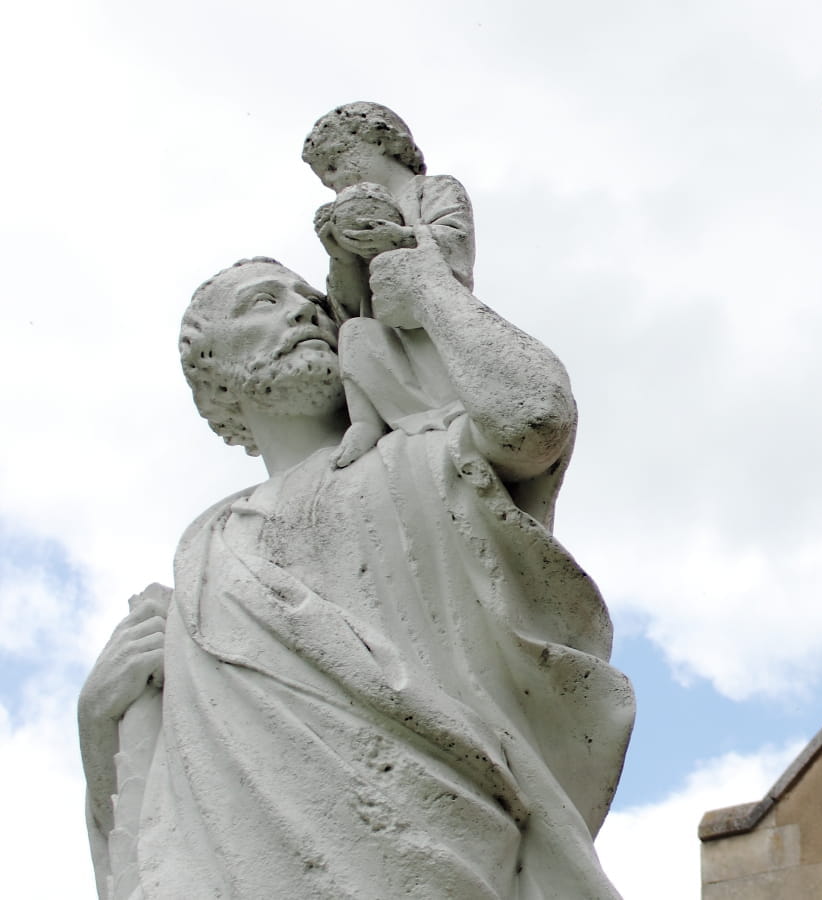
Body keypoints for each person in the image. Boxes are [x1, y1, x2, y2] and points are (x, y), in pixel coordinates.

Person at [79, 241, 633, 899]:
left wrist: (430, 285)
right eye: (265, 302)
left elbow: (532, 418)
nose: (307, 313)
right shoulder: (203, 559)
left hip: (446, 859)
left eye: (313, 302)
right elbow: (156, 845)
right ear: (216, 373)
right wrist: (97, 724)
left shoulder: (426, 458)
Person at [303, 101, 476, 467]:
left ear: (380, 139)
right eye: (325, 179)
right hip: (384, 340)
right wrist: (341, 256)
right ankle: (366, 422)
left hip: (431, 332)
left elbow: (455, 247)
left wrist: (399, 238)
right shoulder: (353, 218)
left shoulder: (435, 190)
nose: (334, 181)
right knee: (353, 333)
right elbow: (348, 308)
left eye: (335, 163)